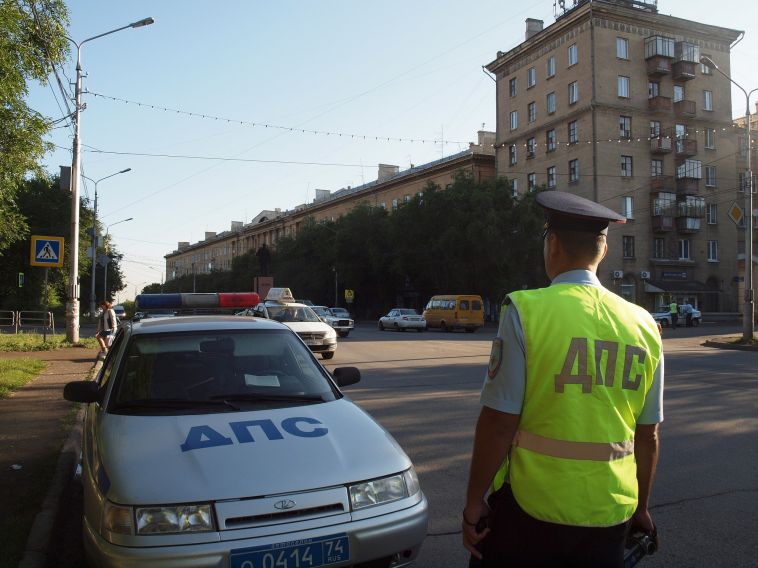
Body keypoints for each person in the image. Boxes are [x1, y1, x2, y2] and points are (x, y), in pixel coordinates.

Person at [463, 191, 664, 568]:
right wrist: (641, 507)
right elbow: (647, 434)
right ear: (602, 252)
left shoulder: (525, 310)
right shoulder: (644, 325)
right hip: (611, 511)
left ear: (551, 244)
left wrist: (474, 502)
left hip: (531, 509)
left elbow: (498, 423)